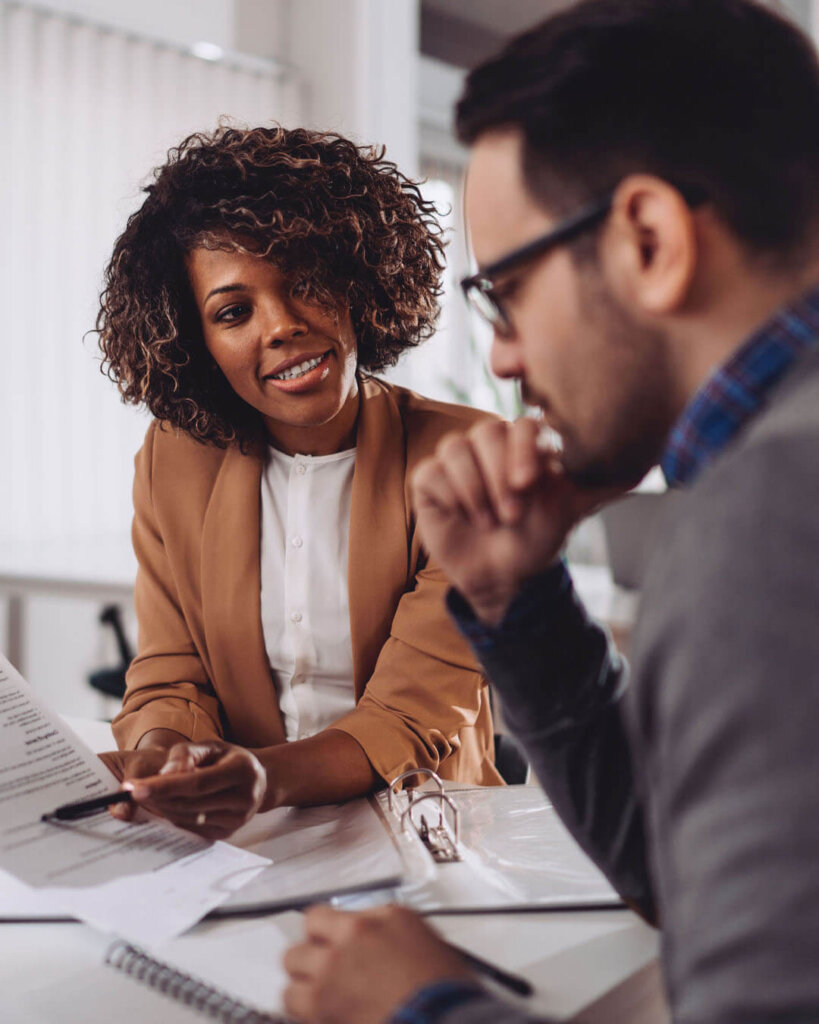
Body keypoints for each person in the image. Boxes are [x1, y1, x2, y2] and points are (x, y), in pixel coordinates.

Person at [280, 1, 819, 1021]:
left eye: (509, 291)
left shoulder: (764, 523)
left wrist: (420, 1005)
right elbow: (693, 883)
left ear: (651, 239)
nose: (505, 356)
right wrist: (517, 598)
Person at [95, 124, 502, 841]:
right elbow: (170, 674)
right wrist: (162, 762)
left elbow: (413, 716)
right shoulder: (173, 460)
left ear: (355, 278)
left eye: (303, 282)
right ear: (196, 340)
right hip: (250, 839)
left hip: (431, 830)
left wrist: (258, 778)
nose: (280, 326)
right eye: (233, 312)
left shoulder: (469, 456)